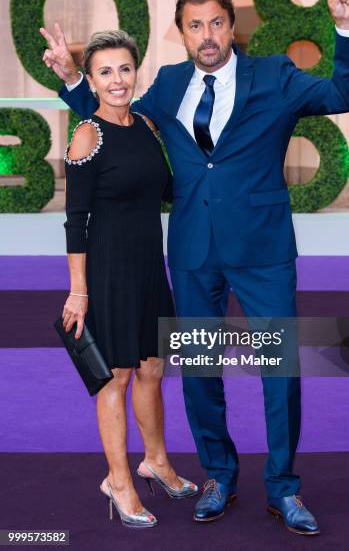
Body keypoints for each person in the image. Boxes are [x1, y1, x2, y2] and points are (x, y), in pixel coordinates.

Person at [41, 0, 349, 535]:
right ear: (182, 32)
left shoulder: (276, 76)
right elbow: (112, 127)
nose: (208, 36)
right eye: (195, 26)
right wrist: (75, 79)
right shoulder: (166, 85)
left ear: (229, 27)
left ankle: (283, 487)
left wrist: (346, 27)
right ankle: (217, 474)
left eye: (217, 23)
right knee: (198, 370)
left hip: (262, 251)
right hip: (192, 252)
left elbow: (347, 91)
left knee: (277, 372)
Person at [49, 29, 198, 529]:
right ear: (90, 81)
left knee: (153, 368)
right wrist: (79, 289)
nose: (117, 80)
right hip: (108, 269)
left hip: (149, 266)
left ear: (137, 71)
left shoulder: (148, 127)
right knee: (114, 378)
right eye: (105, 72)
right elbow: (75, 219)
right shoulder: (87, 135)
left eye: (125, 69)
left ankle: (155, 459)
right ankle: (118, 480)